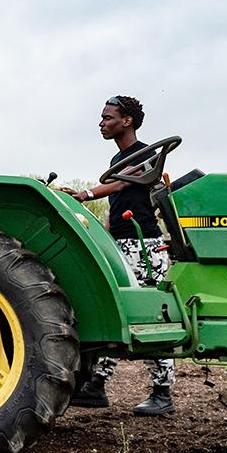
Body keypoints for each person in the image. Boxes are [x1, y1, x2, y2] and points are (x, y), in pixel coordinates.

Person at [62, 95, 176, 416]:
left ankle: (162, 392)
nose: (102, 123)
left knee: (151, 316)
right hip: (123, 243)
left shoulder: (145, 155)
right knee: (115, 310)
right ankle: (96, 385)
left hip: (144, 245)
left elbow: (118, 187)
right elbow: (115, 206)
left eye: (108, 118)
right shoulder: (117, 159)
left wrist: (85, 194)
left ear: (127, 121)